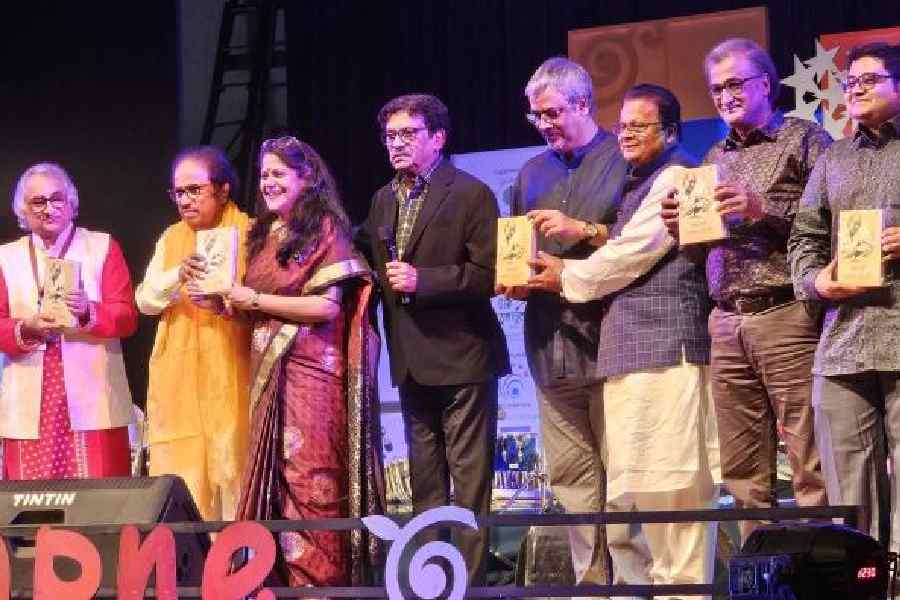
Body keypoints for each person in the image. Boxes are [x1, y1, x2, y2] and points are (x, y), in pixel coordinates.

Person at [530, 84, 721, 598]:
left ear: (672, 131)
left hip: (668, 354)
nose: (628, 134)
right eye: (624, 125)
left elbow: (630, 255)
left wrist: (564, 276)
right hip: (633, 356)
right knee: (646, 494)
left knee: (677, 493)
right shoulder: (639, 182)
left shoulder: (677, 176)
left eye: (642, 125)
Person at [661, 38, 831, 542]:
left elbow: (828, 226)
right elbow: (703, 251)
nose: (725, 96)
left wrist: (761, 209)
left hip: (785, 313)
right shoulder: (713, 154)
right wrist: (681, 232)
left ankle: (821, 570)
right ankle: (762, 571)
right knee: (741, 468)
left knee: (809, 457)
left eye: (734, 84)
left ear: (765, 83)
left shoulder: (805, 139)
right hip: (725, 318)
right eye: (716, 89)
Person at [356, 93, 509, 585]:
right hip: (410, 359)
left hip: (464, 356)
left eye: (408, 134)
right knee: (425, 484)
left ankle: (471, 584)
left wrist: (426, 280)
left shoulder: (471, 193)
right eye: (390, 136)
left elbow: (488, 275)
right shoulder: (383, 198)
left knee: (468, 483)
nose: (396, 143)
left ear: (438, 138)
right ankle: (430, 582)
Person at [228, 135, 383, 586]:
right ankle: (277, 584)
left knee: (312, 478)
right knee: (275, 477)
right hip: (267, 369)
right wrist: (224, 300)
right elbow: (252, 305)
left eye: (279, 173)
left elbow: (327, 307)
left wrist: (255, 298)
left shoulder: (324, 229)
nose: (269, 183)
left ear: (307, 177)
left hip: (312, 370)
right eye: (264, 175)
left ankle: (321, 586)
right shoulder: (261, 233)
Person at [499, 56, 627, 590]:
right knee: (572, 474)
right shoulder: (531, 173)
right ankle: (593, 581)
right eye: (535, 116)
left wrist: (586, 230)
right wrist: (508, 277)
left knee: (620, 472)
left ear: (582, 104)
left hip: (612, 339)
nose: (544, 124)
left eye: (552, 113)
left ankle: (634, 580)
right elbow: (515, 249)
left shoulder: (624, 158)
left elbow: (644, 244)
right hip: (549, 342)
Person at [788, 42, 900, 550]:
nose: (855, 89)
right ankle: (861, 583)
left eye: (869, 79)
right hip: (844, 344)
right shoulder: (834, 158)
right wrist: (816, 282)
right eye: (850, 81)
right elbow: (804, 238)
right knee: (849, 494)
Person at [0, 162, 137, 480]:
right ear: (23, 209)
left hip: (93, 395)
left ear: (71, 203)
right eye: (39, 202)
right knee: (32, 506)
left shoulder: (103, 247)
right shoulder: (5, 257)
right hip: (30, 397)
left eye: (57, 199)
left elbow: (127, 316)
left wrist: (90, 312)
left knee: (98, 504)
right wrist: (27, 328)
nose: (49, 209)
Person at [137, 146, 251, 521]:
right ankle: (193, 566)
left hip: (234, 365)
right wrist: (177, 275)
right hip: (180, 377)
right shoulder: (171, 238)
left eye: (194, 190)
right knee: (183, 471)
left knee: (234, 464)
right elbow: (146, 301)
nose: (184, 201)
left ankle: (238, 564)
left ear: (222, 190)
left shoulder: (249, 233)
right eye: (178, 193)